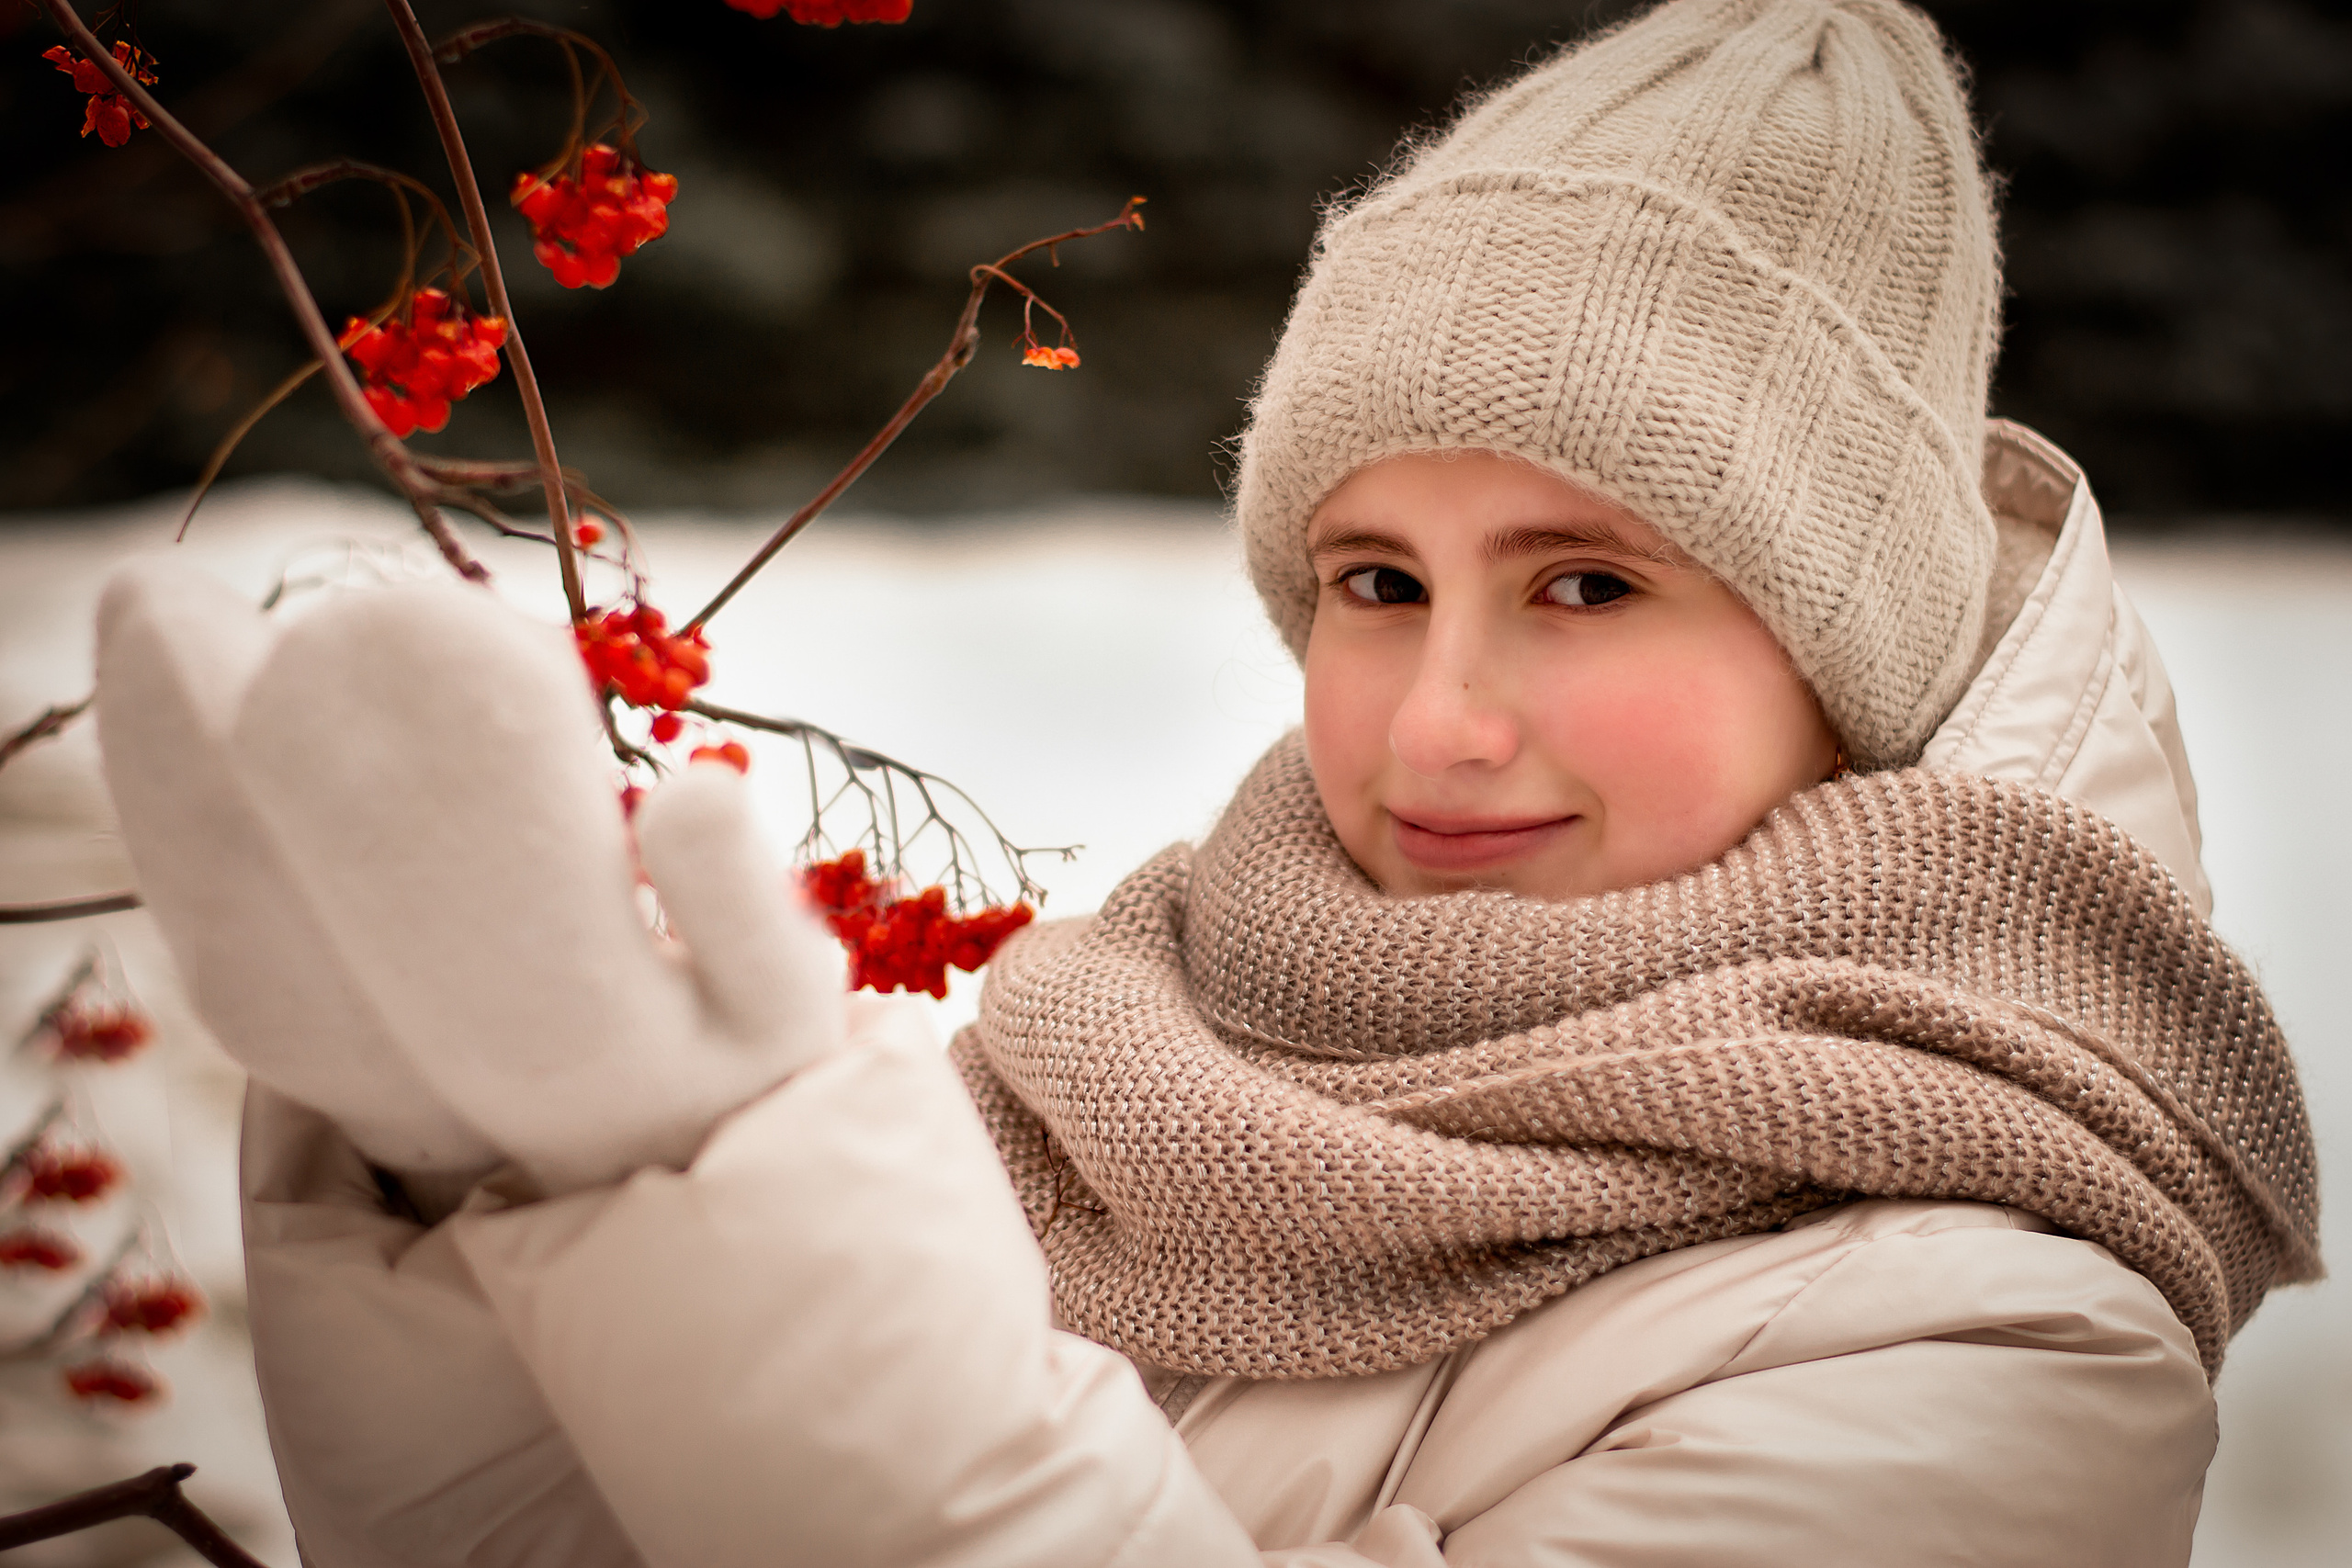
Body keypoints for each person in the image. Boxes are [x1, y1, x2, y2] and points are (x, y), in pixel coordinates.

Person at [91, 1, 2319, 1564]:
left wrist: (735, 1221)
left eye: (1584, 584)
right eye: (1374, 580)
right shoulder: (1116, 1066)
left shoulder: (2002, 1331)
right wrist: (486, 1183)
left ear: (1849, 654)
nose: (1434, 718)